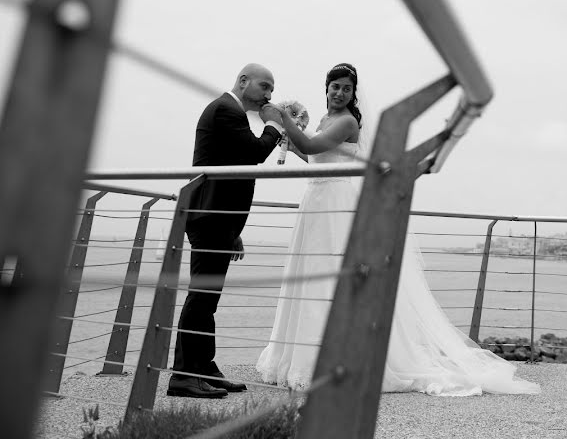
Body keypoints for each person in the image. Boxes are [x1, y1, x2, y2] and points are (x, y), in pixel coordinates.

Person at [256, 63, 539, 396]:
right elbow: (313, 156)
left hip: (337, 202)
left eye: (347, 88)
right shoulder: (323, 120)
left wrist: (281, 119)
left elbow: (315, 147)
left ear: (353, 93)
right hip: (316, 201)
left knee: (331, 278)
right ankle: (305, 357)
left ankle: (332, 360)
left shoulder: (347, 122)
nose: (340, 93)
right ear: (327, 87)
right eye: (335, 86)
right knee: (311, 275)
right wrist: (291, 137)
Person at [168, 63, 286, 399]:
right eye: (265, 86)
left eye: (272, 90)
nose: (269, 94)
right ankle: (183, 376)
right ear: (243, 81)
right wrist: (275, 126)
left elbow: (234, 167)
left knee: (209, 298)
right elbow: (254, 153)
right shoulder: (225, 110)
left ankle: (203, 367)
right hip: (209, 216)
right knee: (202, 296)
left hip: (217, 217)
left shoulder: (230, 113)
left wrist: (232, 229)